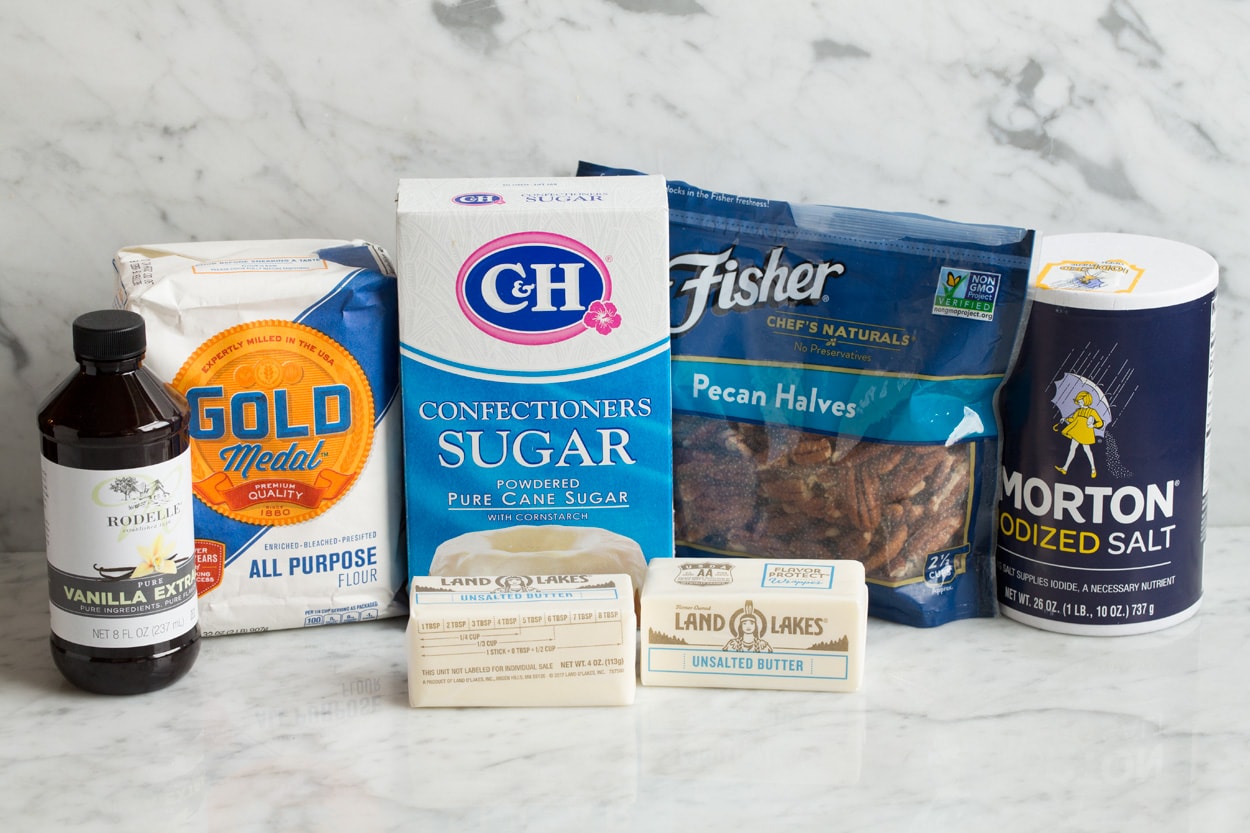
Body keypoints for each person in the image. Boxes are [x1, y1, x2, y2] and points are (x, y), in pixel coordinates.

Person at [1054, 390, 1103, 478]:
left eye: (1080, 401)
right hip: (1077, 432)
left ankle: (1093, 469)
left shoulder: (1092, 411)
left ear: (1086, 401)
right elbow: (1073, 420)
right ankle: (1065, 468)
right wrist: (1065, 419)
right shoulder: (1078, 411)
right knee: (1072, 449)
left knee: (1087, 450)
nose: (1079, 403)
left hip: (1085, 433)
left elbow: (1100, 422)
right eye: (1078, 401)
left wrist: (1093, 425)